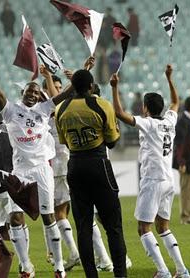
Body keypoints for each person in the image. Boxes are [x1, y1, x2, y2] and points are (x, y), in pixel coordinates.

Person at [0, 52, 75, 278]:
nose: (32, 94)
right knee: (15, 217)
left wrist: (80, 74)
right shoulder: (11, 111)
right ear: (22, 93)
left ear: (39, 95)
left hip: (42, 169)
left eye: (35, 92)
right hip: (21, 170)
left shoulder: (43, 110)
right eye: (28, 91)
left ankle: (59, 266)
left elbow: (68, 94)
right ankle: (26, 266)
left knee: (48, 216)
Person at [111, 65, 190, 278]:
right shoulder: (169, 121)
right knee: (163, 227)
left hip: (153, 180)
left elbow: (119, 113)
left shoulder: (148, 124)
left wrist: (115, 87)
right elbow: (176, 102)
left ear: (146, 108)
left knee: (143, 228)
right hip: (168, 181)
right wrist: (169, 78)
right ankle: (182, 271)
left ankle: (163, 271)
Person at [55, 69, 127, 278]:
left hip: (75, 165)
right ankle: (120, 275)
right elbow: (112, 142)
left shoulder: (61, 108)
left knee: (83, 227)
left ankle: (91, 276)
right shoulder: (101, 104)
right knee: (113, 226)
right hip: (98, 164)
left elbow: (64, 141)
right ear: (90, 86)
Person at [42, 74, 80, 270]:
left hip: (55, 166)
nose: (56, 89)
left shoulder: (46, 109)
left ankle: (74, 253)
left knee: (57, 213)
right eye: (53, 86)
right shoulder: (56, 106)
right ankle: (59, 250)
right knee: (62, 211)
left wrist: (48, 77)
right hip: (66, 162)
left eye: (58, 87)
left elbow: (63, 94)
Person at [173, 96, 190, 224]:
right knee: (187, 189)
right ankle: (185, 217)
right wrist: (181, 162)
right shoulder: (182, 121)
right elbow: (179, 144)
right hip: (187, 159)